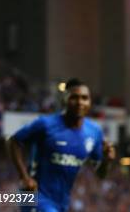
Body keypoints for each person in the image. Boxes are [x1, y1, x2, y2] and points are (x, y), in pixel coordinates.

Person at [7, 78, 116, 212]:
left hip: (61, 202)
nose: (80, 102)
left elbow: (101, 174)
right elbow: (14, 141)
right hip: (34, 196)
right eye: (74, 97)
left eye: (84, 98)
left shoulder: (94, 132)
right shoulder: (45, 124)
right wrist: (24, 177)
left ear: (90, 102)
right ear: (64, 99)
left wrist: (106, 161)